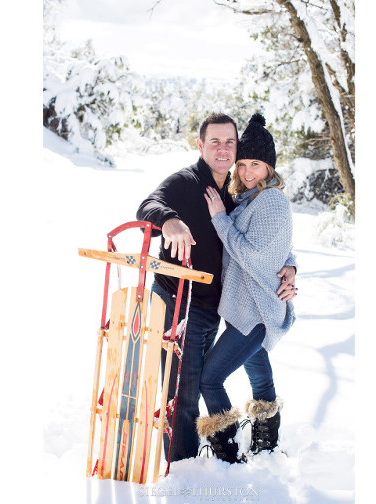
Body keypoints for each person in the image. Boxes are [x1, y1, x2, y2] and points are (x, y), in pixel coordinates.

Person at [136, 112, 298, 462]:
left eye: (231, 144)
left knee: (207, 380)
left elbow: (264, 241)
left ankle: (240, 446)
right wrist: (170, 220)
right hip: (184, 301)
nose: (226, 152)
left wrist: (290, 265)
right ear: (201, 144)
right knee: (188, 388)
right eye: (215, 142)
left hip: (231, 306)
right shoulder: (191, 182)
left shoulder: (243, 193)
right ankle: (186, 464)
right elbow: (147, 206)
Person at [196, 113, 296, 463]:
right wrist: (291, 265)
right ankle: (267, 445)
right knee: (259, 371)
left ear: (269, 168)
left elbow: (254, 258)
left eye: (256, 164)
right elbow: (276, 246)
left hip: (254, 312)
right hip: (246, 306)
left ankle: (227, 453)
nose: (247, 172)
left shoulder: (271, 201)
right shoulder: (250, 199)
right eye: (242, 164)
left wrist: (219, 220)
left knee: (209, 379)